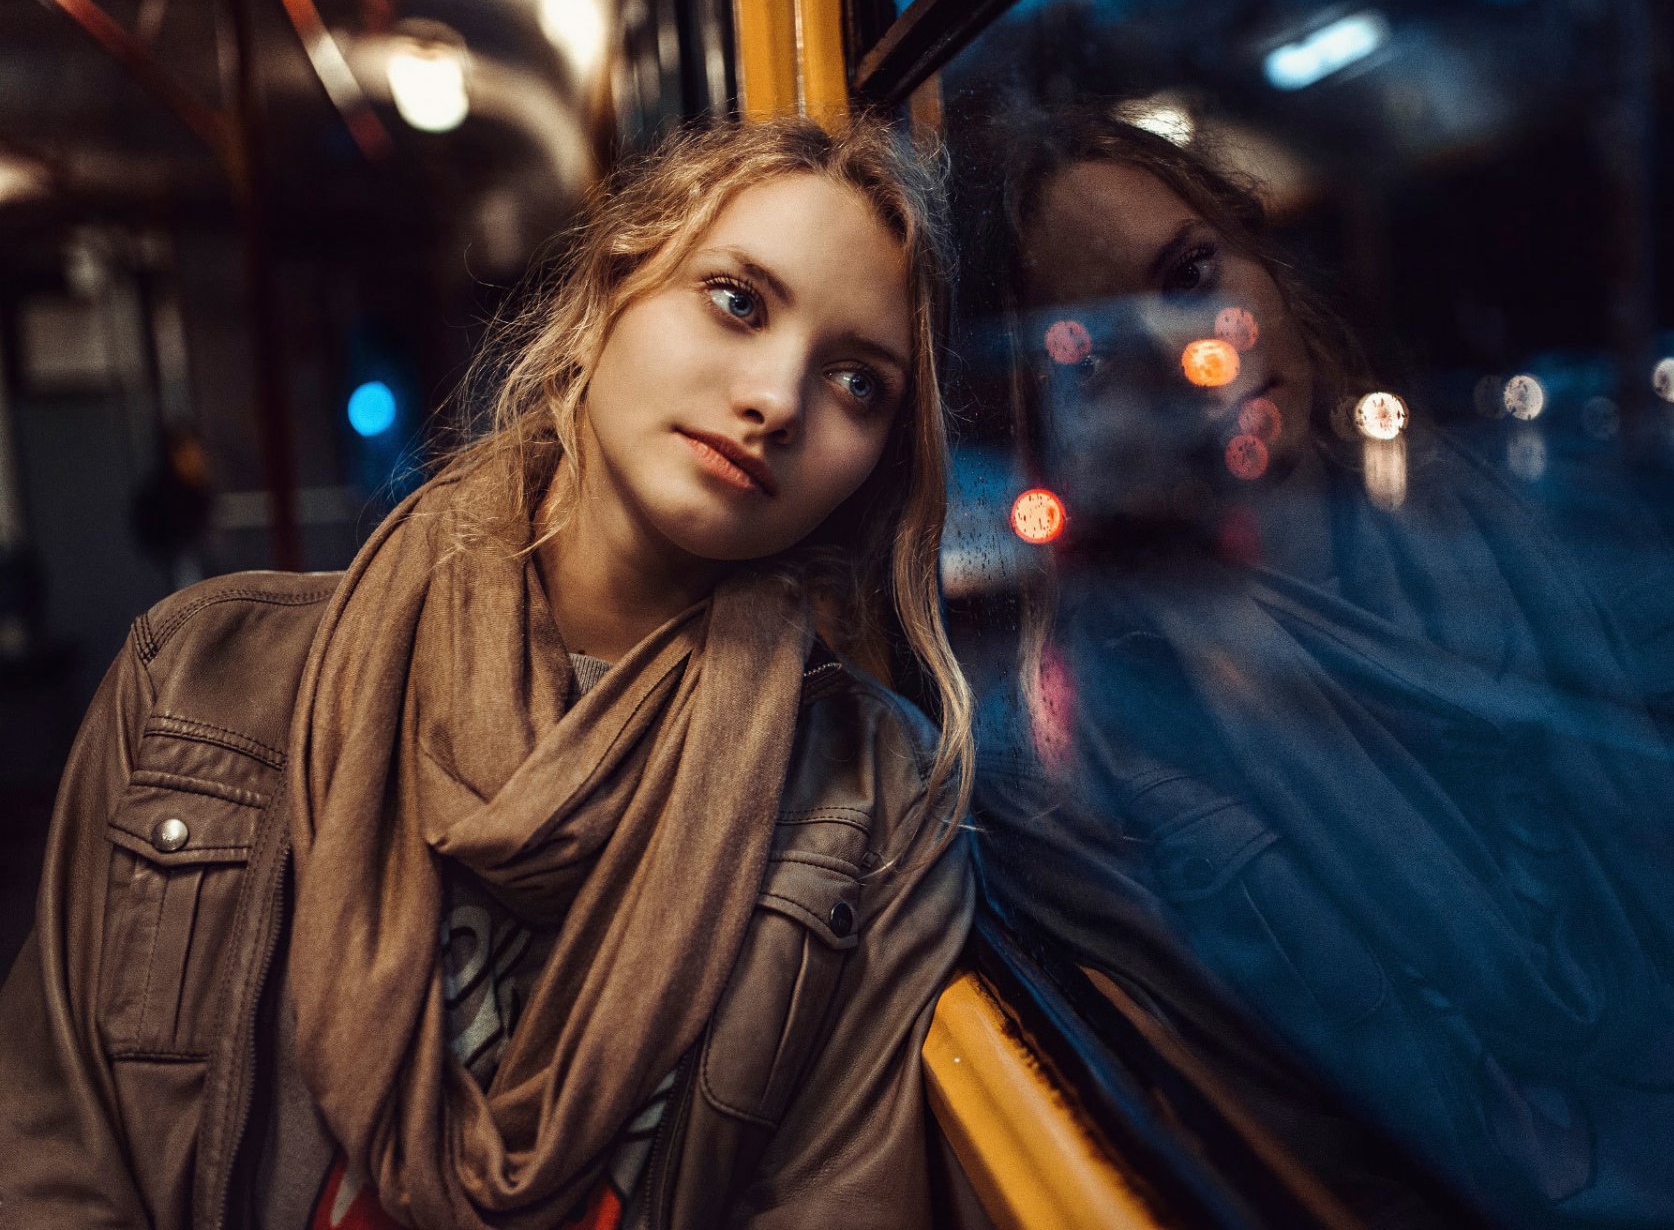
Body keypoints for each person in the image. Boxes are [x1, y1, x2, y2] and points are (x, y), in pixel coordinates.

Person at [948, 104, 1674, 1228]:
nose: (1193, 348)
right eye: (1101, 347)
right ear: (1037, 417)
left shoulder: (1539, 535)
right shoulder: (1091, 760)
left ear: (1265, 263)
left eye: (1193, 269)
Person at [0, 114, 975, 1230]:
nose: (778, 399)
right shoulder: (206, 677)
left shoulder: (881, 804)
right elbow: (47, 1148)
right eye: (739, 300)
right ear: (614, 285)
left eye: (859, 383)